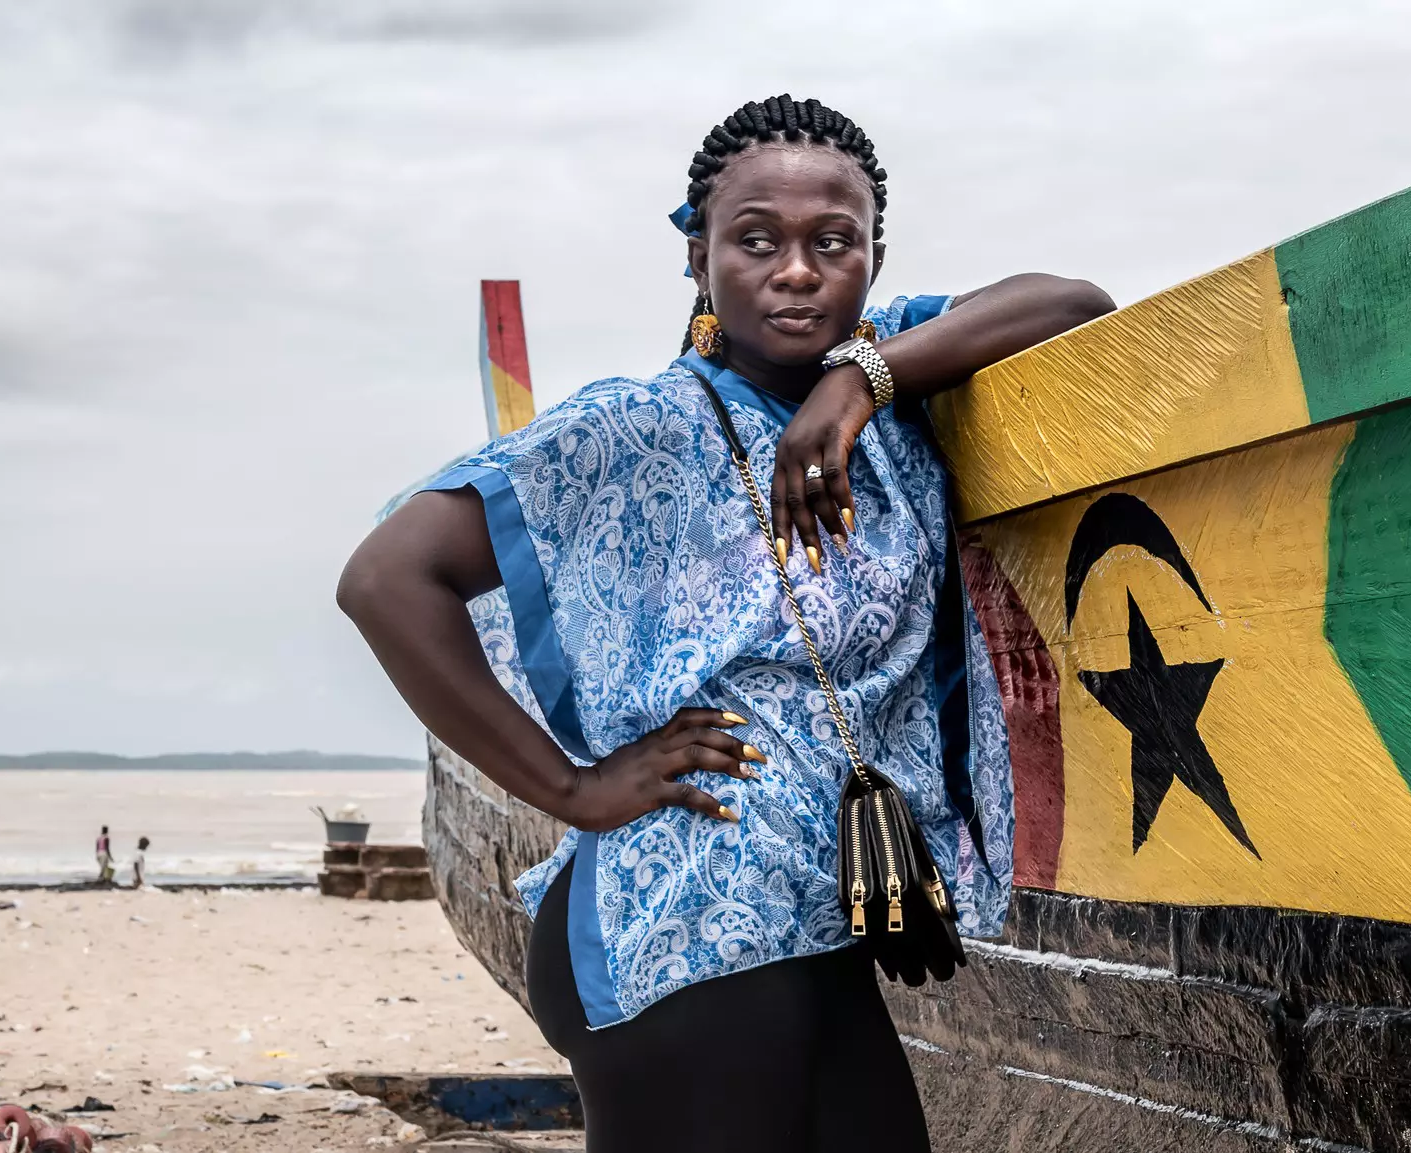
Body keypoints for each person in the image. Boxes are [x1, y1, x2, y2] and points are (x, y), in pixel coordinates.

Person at [338, 95, 1113, 1151]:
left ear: (872, 260)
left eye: (831, 242)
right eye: (755, 240)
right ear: (697, 260)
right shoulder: (633, 427)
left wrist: (856, 382)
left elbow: (1073, 303)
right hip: (686, 923)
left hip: (809, 922)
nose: (796, 270)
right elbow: (386, 579)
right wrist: (572, 788)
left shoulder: (891, 368)